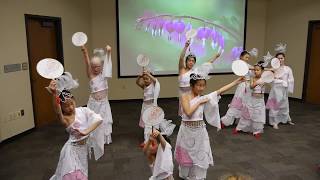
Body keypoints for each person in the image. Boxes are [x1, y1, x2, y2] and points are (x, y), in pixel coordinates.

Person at [175, 72, 244, 180]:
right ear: (192, 85)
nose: (201, 88)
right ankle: (185, 174)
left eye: (203, 85)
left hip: (199, 130)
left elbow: (220, 90)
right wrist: (199, 102)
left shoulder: (203, 97)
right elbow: (188, 112)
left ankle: (198, 176)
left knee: (200, 153)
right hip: (186, 131)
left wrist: (236, 82)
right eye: (199, 85)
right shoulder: (185, 97)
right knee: (187, 152)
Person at [48, 79, 103, 180]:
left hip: (82, 150)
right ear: (62, 107)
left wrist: (87, 131)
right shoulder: (66, 119)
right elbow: (57, 111)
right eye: (66, 106)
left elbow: (99, 119)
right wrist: (54, 94)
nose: (70, 107)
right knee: (72, 174)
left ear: (74, 100)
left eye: (71, 103)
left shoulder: (83, 110)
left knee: (81, 172)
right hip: (71, 151)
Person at [178, 40, 220, 116]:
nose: (191, 62)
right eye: (189, 61)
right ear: (186, 62)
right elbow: (181, 58)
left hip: (193, 94)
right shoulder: (182, 69)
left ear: (194, 63)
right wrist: (185, 47)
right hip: (183, 94)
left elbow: (208, 63)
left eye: (193, 61)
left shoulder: (196, 71)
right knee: (184, 112)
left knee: (194, 111)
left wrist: (215, 57)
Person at [81, 45, 113, 144]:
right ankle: (94, 140)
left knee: (104, 121)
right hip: (94, 104)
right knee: (94, 121)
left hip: (103, 103)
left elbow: (108, 64)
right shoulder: (90, 75)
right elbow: (87, 63)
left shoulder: (104, 75)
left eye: (98, 66)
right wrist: (85, 52)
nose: (95, 69)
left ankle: (103, 139)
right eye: (93, 67)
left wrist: (108, 52)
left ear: (101, 66)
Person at [234, 61, 266, 138]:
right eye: (255, 70)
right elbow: (251, 86)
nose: (255, 71)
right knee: (247, 113)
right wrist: (257, 82)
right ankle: (240, 127)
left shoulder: (264, 79)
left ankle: (256, 131)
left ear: (262, 71)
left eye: (258, 70)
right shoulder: (252, 78)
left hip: (260, 100)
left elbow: (270, 76)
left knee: (257, 115)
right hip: (252, 99)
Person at [221, 51, 253, 128]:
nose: (247, 59)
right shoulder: (239, 64)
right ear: (241, 57)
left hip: (249, 87)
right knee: (236, 104)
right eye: (246, 57)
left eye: (248, 58)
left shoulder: (248, 65)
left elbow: (254, 71)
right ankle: (225, 122)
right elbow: (251, 68)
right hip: (242, 86)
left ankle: (242, 122)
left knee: (246, 104)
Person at [266, 52, 294, 129]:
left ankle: (286, 119)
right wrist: (280, 80)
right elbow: (270, 79)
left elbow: (291, 79)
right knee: (275, 104)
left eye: (281, 58)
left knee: (284, 104)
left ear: (284, 58)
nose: (280, 59)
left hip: (284, 89)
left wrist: (287, 83)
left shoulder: (288, 68)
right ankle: (274, 122)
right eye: (278, 58)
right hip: (276, 89)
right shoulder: (273, 69)